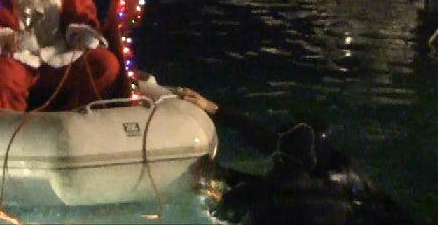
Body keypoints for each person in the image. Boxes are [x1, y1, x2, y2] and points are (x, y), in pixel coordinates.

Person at [177, 89, 413, 224]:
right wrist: (213, 108)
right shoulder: (346, 184)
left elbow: (262, 190)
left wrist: (217, 180)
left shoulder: (260, 198)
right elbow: (265, 141)